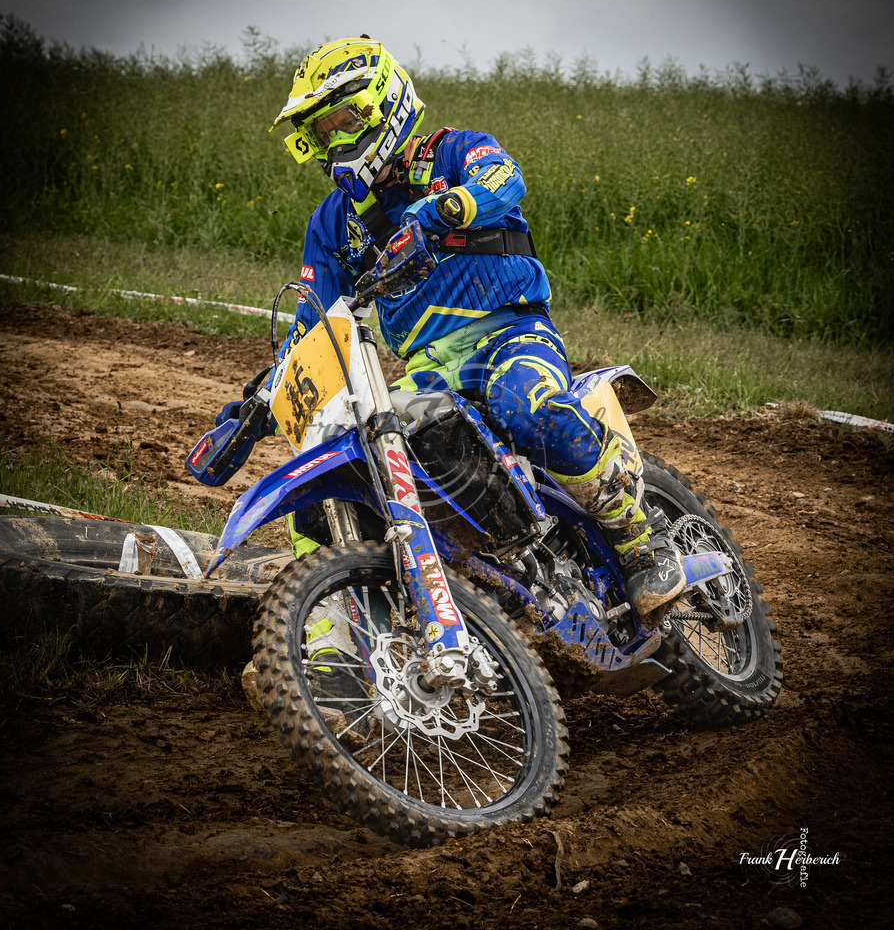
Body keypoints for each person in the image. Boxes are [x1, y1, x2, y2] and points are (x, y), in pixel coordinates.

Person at [222, 35, 684, 625]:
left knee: (527, 406)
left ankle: (640, 540)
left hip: (509, 335)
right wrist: (266, 396)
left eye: (343, 122)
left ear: (383, 103)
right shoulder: (333, 223)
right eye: (318, 134)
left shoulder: (455, 151)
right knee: (344, 474)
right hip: (431, 375)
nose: (334, 145)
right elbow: (315, 321)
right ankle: (335, 637)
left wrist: (442, 213)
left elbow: (506, 181)